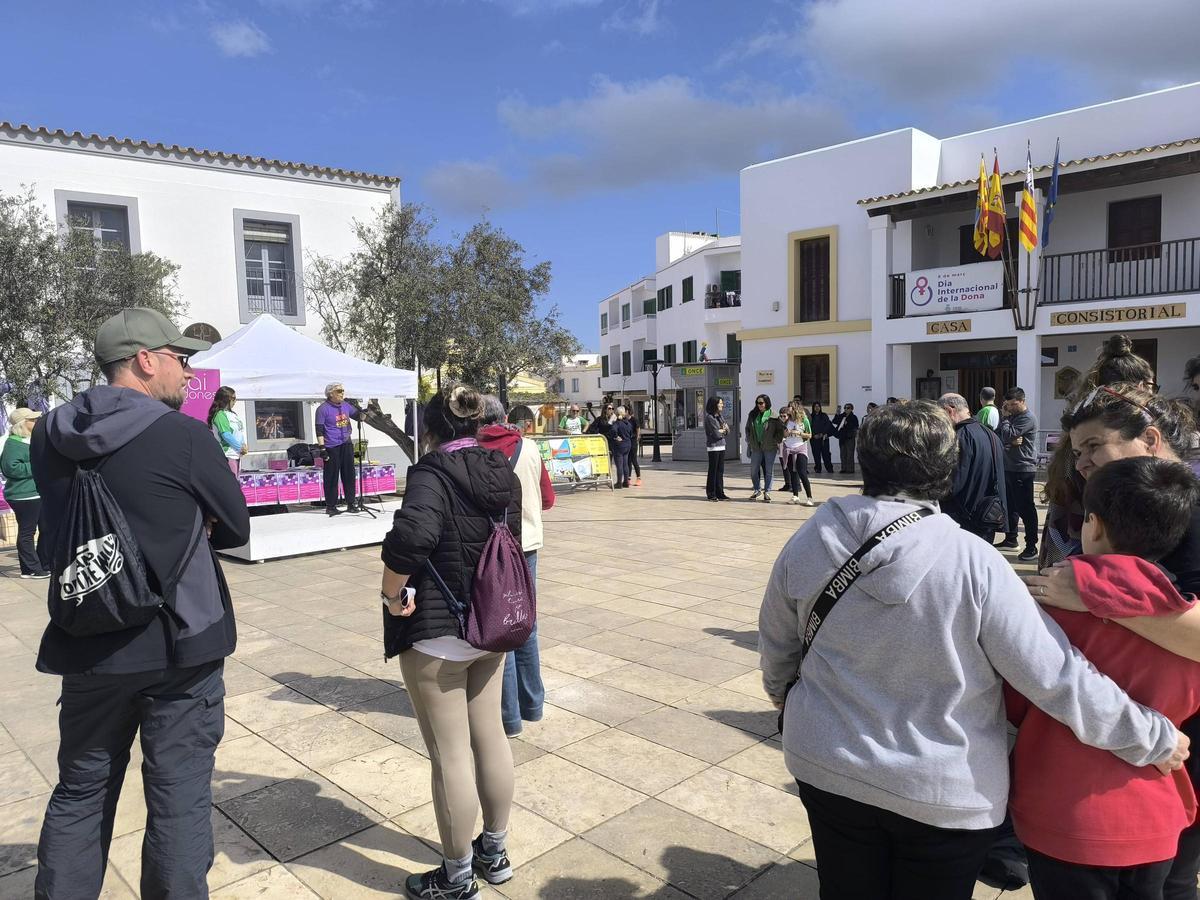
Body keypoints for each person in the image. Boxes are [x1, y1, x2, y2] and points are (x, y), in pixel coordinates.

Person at [758, 400, 1188, 900]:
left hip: (826, 761)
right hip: (941, 788)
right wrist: (1151, 736)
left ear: (864, 461)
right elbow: (1054, 676)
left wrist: (781, 694)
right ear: (947, 469)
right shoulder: (974, 562)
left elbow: (777, 643)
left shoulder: (810, 537)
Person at [31, 307, 250, 899]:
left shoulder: (47, 432)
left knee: (80, 793)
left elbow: (56, 531)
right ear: (144, 362)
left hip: (87, 640)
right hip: (179, 646)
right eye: (180, 360)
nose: (187, 373)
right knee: (178, 800)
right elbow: (235, 526)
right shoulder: (182, 434)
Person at [1026, 383, 1200, 899]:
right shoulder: (1091, 499)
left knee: (1174, 876)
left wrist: (1095, 591)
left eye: (1095, 446)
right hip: (1123, 765)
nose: (1081, 462)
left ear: (1149, 438)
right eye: (1076, 452)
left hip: (1172, 752)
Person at [379, 385, 521, 900]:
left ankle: (457, 875)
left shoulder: (432, 472)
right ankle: (495, 851)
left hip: (439, 633)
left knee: (450, 755)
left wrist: (391, 592)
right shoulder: (499, 467)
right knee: (492, 739)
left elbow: (413, 536)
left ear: (431, 430)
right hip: (491, 622)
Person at [1040, 337, 1158, 567]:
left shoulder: (1080, 430)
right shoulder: (1118, 438)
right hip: (1088, 555)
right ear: (1138, 387)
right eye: (1151, 386)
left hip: (1069, 547)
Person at [477, 395, 555, 738]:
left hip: (490, 548)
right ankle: (533, 703)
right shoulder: (530, 449)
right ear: (506, 416)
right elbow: (548, 499)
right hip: (528, 546)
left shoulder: (475, 452)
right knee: (528, 626)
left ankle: (508, 717)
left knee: (499, 629)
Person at [938, 393, 1007, 542]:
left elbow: (953, 484)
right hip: (988, 515)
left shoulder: (960, 437)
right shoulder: (990, 433)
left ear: (949, 411)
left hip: (964, 519)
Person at [2, 407, 49, 578]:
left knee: (46, 528)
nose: (36, 422)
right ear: (23, 423)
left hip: (36, 493)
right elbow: (10, 468)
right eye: (33, 419)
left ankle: (44, 563)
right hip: (24, 495)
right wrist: (37, 464)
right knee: (27, 532)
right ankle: (31, 569)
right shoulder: (13, 443)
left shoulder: (29, 440)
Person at [997, 387, 1039, 561]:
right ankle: (1011, 538)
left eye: (1013, 404)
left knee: (1026, 508)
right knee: (1011, 506)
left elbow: (1007, 434)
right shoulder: (1013, 417)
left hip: (1023, 468)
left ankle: (1031, 546)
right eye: (1007, 405)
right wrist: (1008, 435)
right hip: (1009, 467)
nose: (1010, 408)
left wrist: (1006, 422)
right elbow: (1001, 435)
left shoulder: (1027, 418)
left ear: (1022, 401)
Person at [315, 382, 362, 516]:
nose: (342, 393)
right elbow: (319, 430)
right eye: (339, 391)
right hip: (331, 446)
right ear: (330, 394)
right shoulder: (323, 409)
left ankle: (351, 503)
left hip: (346, 443)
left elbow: (360, 417)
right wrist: (322, 448)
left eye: (343, 391)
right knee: (332, 476)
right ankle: (331, 506)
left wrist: (364, 410)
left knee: (349, 474)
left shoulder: (346, 406)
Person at [745, 394, 783, 502]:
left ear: (766, 403)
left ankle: (767, 492)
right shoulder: (752, 415)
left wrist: (776, 440)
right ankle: (757, 490)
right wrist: (749, 439)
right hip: (756, 447)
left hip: (770, 447)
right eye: (757, 403)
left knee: (769, 470)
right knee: (753, 470)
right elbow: (747, 428)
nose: (759, 405)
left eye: (761, 403)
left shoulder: (774, 416)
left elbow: (780, 430)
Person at [207, 385, 247, 474]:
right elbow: (226, 435)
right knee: (232, 484)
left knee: (236, 483)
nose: (235, 401)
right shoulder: (220, 415)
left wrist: (244, 445)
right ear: (225, 399)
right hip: (227, 455)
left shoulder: (233, 414)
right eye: (233, 398)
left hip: (236, 454)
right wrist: (240, 447)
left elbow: (239, 432)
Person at [779, 402, 814, 506]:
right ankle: (795, 496)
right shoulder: (787, 420)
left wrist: (799, 433)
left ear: (794, 409)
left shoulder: (804, 420)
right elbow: (784, 433)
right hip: (789, 448)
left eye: (789, 408)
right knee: (792, 473)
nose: (788, 409)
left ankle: (809, 497)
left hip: (800, 448)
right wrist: (786, 433)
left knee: (802, 472)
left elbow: (809, 435)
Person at [704, 396, 730, 501]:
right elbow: (715, 434)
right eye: (720, 403)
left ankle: (720, 493)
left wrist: (722, 431)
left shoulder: (720, 416)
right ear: (714, 404)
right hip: (713, 447)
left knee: (720, 471)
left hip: (721, 446)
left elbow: (728, 430)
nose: (722, 405)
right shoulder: (709, 417)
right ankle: (711, 493)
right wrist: (722, 431)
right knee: (713, 471)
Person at [831, 402, 860, 474]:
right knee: (843, 453)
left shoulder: (854, 417)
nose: (846, 409)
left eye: (848, 408)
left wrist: (848, 424)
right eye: (845, 408)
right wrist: (837, 413)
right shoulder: (842, 416)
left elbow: (855, 426)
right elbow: (834, 421)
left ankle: (850, 469)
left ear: (851, 409)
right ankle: (843, 468)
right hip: (842, 437)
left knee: (850, 454)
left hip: (850, 437)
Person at [611, 406, 634, 489]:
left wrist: (616, 436)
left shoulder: (617, 423)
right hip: (628, 444)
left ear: (616, 414)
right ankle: (626, 482)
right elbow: (631, 432)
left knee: (619, 465)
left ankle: (619, 483)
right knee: (625, 464)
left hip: (620, 445)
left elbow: (613, 430)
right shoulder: (628, 423)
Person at [809, 402, 834, 474]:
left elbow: (827, 425)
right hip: (814, 439)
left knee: (826, 454)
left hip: (823, 438)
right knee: (816, 455)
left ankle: (829, 468)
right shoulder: (811, 416)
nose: (817, 408)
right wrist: (813, 435)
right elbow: (809, 427)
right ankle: (818, 468)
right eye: (815, 406)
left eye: (818, 406)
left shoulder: (824, 415)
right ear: (813, 408)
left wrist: (822, 434)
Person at [627, 406, 643, 486]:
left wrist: (637, 438)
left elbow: (638, 429)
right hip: (627, 442)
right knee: (628, 461)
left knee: (634, 460)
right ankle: (628, 478)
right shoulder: (624, 420)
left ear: (627, 411)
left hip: (633, 441)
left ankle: (638, 478)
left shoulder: (634, 419)